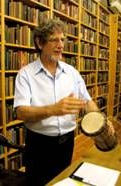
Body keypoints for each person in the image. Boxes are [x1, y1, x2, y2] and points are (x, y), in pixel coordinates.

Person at [13, 19, 115, 186]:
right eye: (54, 40)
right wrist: (53, 109)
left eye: (62, 39)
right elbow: (21, 112)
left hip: (66, 142)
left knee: (62, 180)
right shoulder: (25, 74)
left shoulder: (71, 72)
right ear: (39, 42)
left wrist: (101, 120)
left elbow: (87, 101)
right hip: (39, 144)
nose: (61, 45)